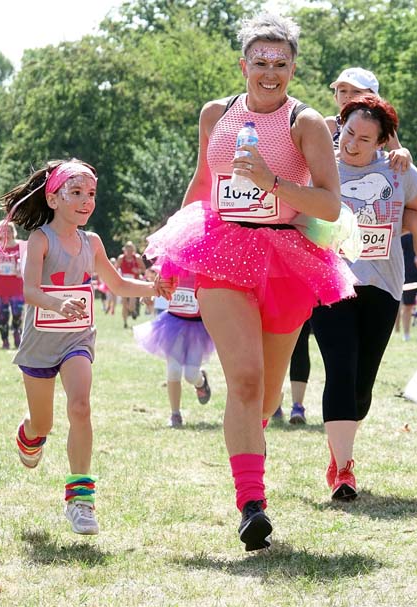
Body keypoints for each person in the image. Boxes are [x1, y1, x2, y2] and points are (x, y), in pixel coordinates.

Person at [144, 12, 355, 551]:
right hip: (221, 251)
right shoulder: (215, 114)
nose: (270, 72)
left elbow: (330, 203)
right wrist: (172, 259)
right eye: (260, 62)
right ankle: (252, 505)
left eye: (280, 63)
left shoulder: (303, 123)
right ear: (243, 65)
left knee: (263, 394)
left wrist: (272, 182)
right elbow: (201, 185)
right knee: (242, 378)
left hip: (287, 257)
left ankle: (249, 446)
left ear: (292, 67)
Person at [0, 159, 168, 535]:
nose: (85, 201)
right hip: (40, 343)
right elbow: (28, 290)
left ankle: (80, 501)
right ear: (54, 198)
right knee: (42, 424)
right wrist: (57, 303)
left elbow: (119, 284)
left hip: (77, 340)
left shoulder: (92, 243)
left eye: (90, 194)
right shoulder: (40, 239)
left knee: (80, 406)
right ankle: (29, 435)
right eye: (75, 193)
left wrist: (152, 289)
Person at [311, 95, 417, 501]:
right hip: (329, 282)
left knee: (362, 384)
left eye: (365, 138)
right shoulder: (319, 170)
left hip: (384, 285)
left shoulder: (400, 172)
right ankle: (343, 469)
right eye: (349, 133)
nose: (352, 143)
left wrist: (387, 229)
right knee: (340, 367)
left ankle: (340, 447)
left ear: (382, 142)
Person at [326, 67, 417, 306]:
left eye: (355, 91)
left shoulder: (383, 127)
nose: (346, 95)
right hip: (339, 208)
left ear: (373, 97)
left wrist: (404, 152)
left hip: (374, 206)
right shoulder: (328, 125)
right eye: (341, 90)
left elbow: (399, 157)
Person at [133, 270, 214, 428]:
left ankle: (201, 382)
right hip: (173, 322)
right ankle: (175, 414)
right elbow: (160, 277)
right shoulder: (173, 256)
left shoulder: (204, 258)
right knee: (174, 370)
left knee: (191, 375)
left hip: (198, 325)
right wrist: (149, 293)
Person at [0, 222, 25, 349]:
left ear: (14, 231)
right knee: (2, 315)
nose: (6, 232)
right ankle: (5, 341)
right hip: (0, 286)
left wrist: (23, 269)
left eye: (9, 229)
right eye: (3, 230)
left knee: (17, 313)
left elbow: (30, 263)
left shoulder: (22, 246)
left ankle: (17, 335)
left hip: (17, 286)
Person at [117, 241, 146, 329]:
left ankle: (132, 310)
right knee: (124, 303)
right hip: (123, 283)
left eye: (130, 250)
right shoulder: (121, 258)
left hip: (133, 283)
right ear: (124, 250)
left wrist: (137, 271)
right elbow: (115, 269)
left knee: (131, 303)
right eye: (127, 250)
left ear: (133, 250)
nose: (129, 252)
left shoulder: (136, 258)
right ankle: (125, 322)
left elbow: (143, 269)